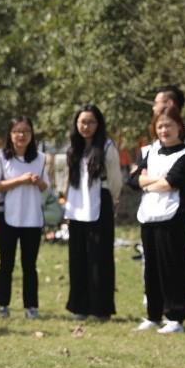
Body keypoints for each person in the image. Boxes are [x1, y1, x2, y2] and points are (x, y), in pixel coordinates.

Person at [127, 106, 185, 334]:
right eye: (160, 126)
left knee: (173, 267)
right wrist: (154, 180)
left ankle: (175, 317)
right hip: (149, 217)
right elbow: (132, 180)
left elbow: (173, 182)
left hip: (173, 217)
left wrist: (148, 181)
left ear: (179, 127)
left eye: (169, 125)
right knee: (152, 268)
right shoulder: (150, 151)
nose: (164, 130)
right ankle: (153, 315)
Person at [64, 105, 122, 320]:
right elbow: (68, 180)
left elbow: (116, 180)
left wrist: (113, 199)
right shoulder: (73, 148)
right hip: (76, 208)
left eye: (90, 122)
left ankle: (101, 308)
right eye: (82, 122)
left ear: (98, 124)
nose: (86, 126)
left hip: (100, 204)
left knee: (100, 258)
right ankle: (80, 307)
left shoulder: (107, 147)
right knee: (77, 258)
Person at [0, 117, 48, 319]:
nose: (21, 135)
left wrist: (37, 181)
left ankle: (31, 306)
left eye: (26, 131)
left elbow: (45, 186)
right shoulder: (0, 157)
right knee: (6, 263)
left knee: (29, 265)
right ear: (10, 134)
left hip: (32, 217)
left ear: (32, 134)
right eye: (17, 131)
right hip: (8, 216)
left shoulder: (40, 158)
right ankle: (2, 305)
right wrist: (20, 180)